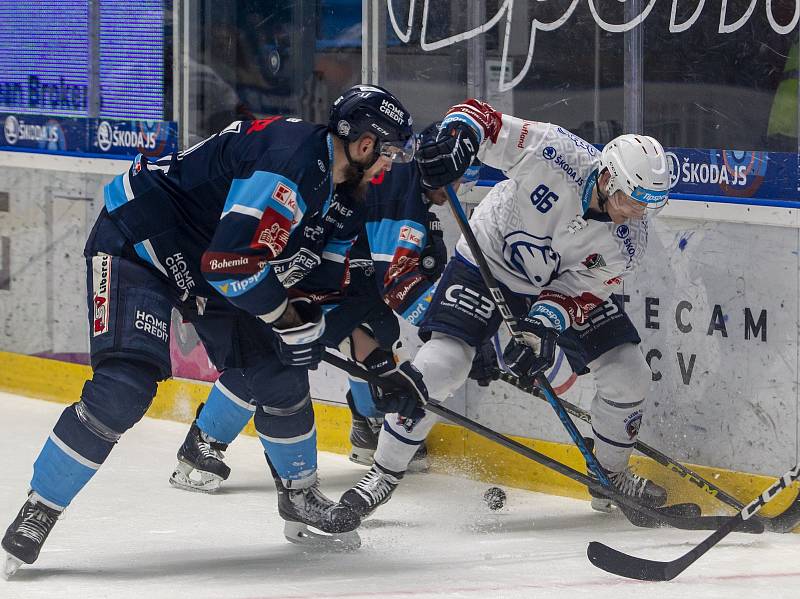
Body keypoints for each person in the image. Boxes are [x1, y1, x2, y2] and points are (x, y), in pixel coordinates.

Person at [1, 84, 417, 576]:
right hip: (142, 243)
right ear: (365, 145)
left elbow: (323, 287)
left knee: (279, 371)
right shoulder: (289, 162)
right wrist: (286, 320)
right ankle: (40, 508)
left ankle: (300, 496)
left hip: (211, 265)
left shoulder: (346, 198)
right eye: (388, 151)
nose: (390, 165)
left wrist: (378, 366)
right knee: (123, 388)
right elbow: (229, 266)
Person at [340, 99, 671, 518]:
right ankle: (383, 474)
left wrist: (539, 329)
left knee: (629, 373)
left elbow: (579, 292)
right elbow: (483, 118)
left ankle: (608, 478)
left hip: (552, 286)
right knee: (443, 365)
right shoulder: (556, 152)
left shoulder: (629, 241)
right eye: (631, 201)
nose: (637, 214)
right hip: (486, 263)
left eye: (648, 205)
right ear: (607, 178)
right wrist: (455, 140)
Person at [168, 123, 480, 496]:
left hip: (341, 270)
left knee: (375, 335)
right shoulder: (402, 184)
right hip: (317, 268)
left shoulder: (406, 181)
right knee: (269, 353)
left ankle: (368, 426)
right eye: (460, 177)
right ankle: (204, 440)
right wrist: (461, 328)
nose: (460, 188)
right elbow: (398, 285)